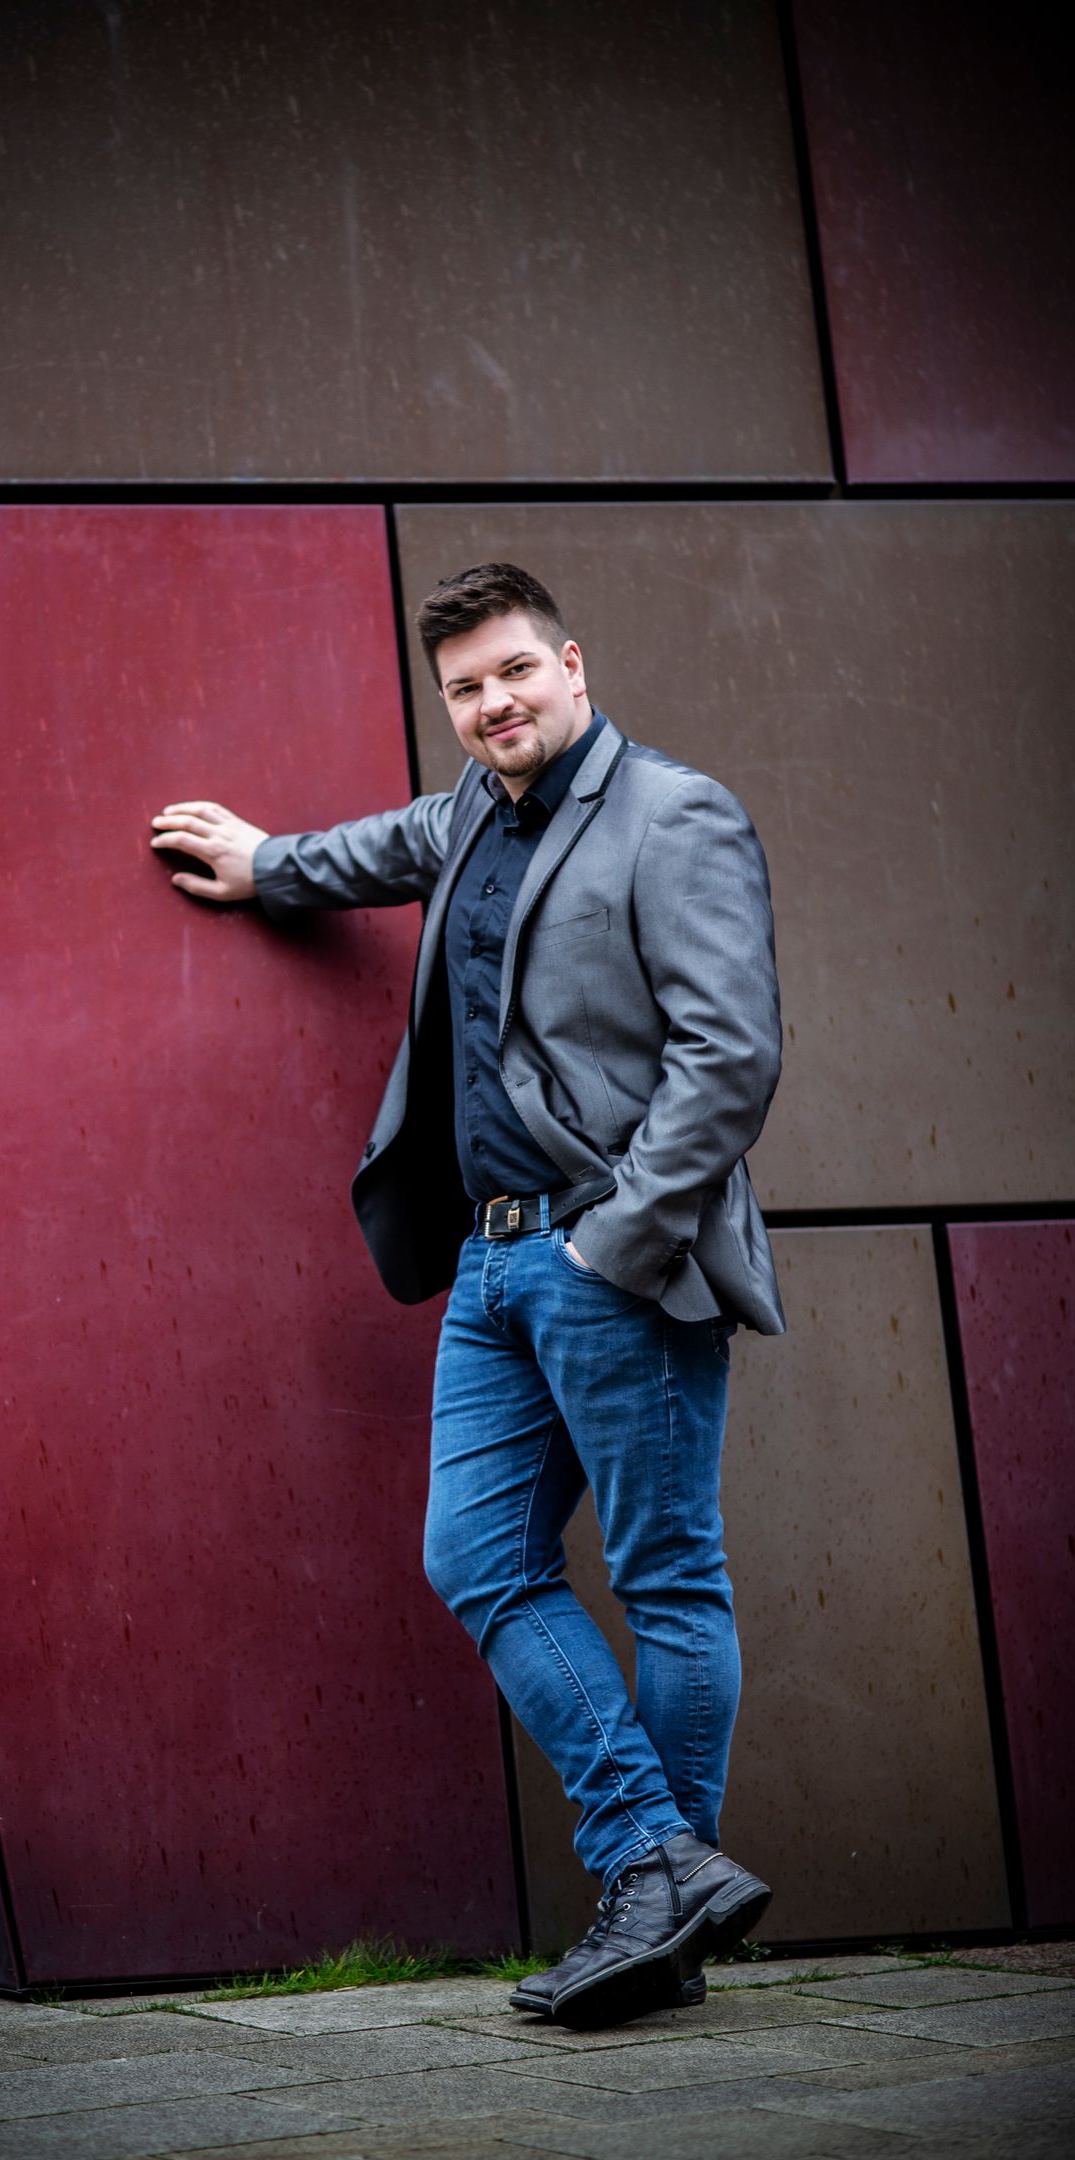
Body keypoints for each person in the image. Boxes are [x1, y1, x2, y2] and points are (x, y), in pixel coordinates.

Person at [150, 562, 783, 2028]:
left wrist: (614, 1243)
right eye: (464, 688)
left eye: (513, 672)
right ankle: (660, 1868)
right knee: (477, 1556)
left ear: (572, 662)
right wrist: (265, 862)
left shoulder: (673, 814)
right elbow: (374, 850)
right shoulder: (469, 818)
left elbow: (730, 1058)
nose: (494, 703)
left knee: (666, 1577)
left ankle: (659, 1924)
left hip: (611, 1260)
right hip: (490, 1264)